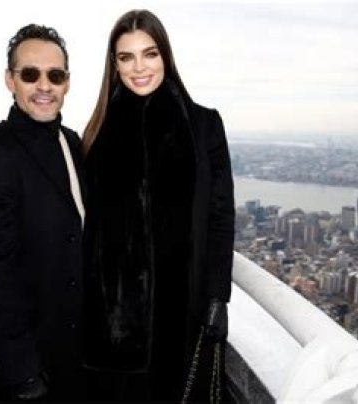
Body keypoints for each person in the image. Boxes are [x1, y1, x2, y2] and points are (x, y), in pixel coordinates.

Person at [81, 9, 235, 402]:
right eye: (126, 57)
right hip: (115, 322)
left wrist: (218, 296)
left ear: (165, 55)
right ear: (114, 65)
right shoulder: (96, 134)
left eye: (149, 54)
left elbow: (220, 216)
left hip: (184, 312)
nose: (139, 68)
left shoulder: (204, 125)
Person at [0, 24, 85, 401]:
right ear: (10, 80)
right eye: (30, 74)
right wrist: (22, 371)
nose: (44, 86)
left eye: (55, 75)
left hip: (76, 359)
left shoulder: (71, 143)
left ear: (67, 83)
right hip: (29, 370)